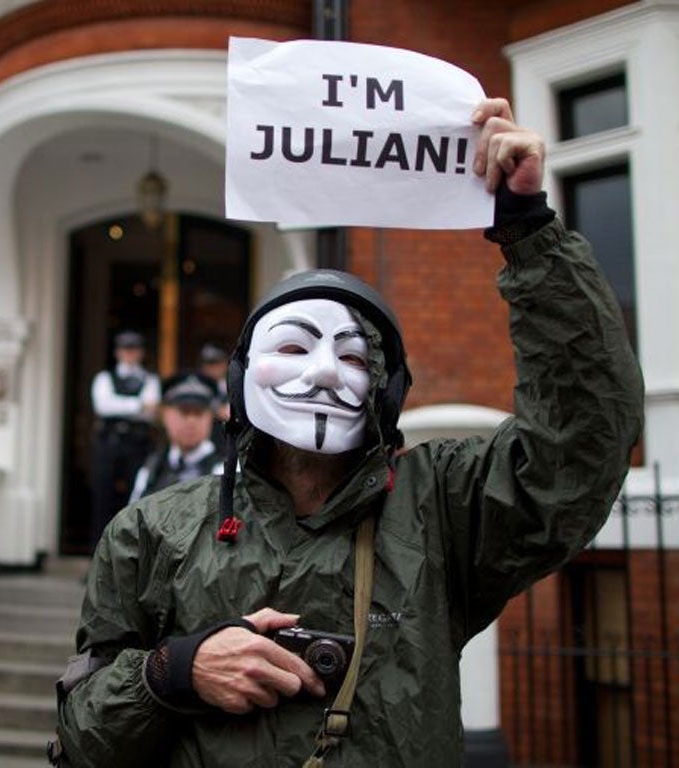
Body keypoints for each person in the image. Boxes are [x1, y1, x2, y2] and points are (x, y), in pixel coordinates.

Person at [50, 98, 644, 767]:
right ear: (243, 377)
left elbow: (581, 442)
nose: (327, 373)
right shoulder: (149, 533)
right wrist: (172, 672)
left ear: (387, 391)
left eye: (357, 358)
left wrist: (528, 231)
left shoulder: (441, 509)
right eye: (297, 349)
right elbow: (82, 738)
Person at [90, 330, 160, 546]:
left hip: (137, 445)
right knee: (103, 500)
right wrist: (137, 405)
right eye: (125, 349)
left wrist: (120, 404)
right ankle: (97, 556)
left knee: (137, 499)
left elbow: (152, 409)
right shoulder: (104, 378)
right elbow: (103, 406)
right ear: (118, 353)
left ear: (140, 353)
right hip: (109, 445)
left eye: (134, 350)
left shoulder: (150, 379)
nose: (130, 354)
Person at [128, 372, 224, 503]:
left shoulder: (227, 470)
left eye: (199, 413)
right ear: (165, 415)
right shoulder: (150, 471)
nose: (191, 421)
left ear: (211, 417)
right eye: (183, 412)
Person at [199, 342, 231, 450]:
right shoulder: (197, 388)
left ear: (225, 364)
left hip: (226, 443)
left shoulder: (233, 387)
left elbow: (229, 414)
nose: (211, 369)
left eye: (216, 363)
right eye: (208, 364)